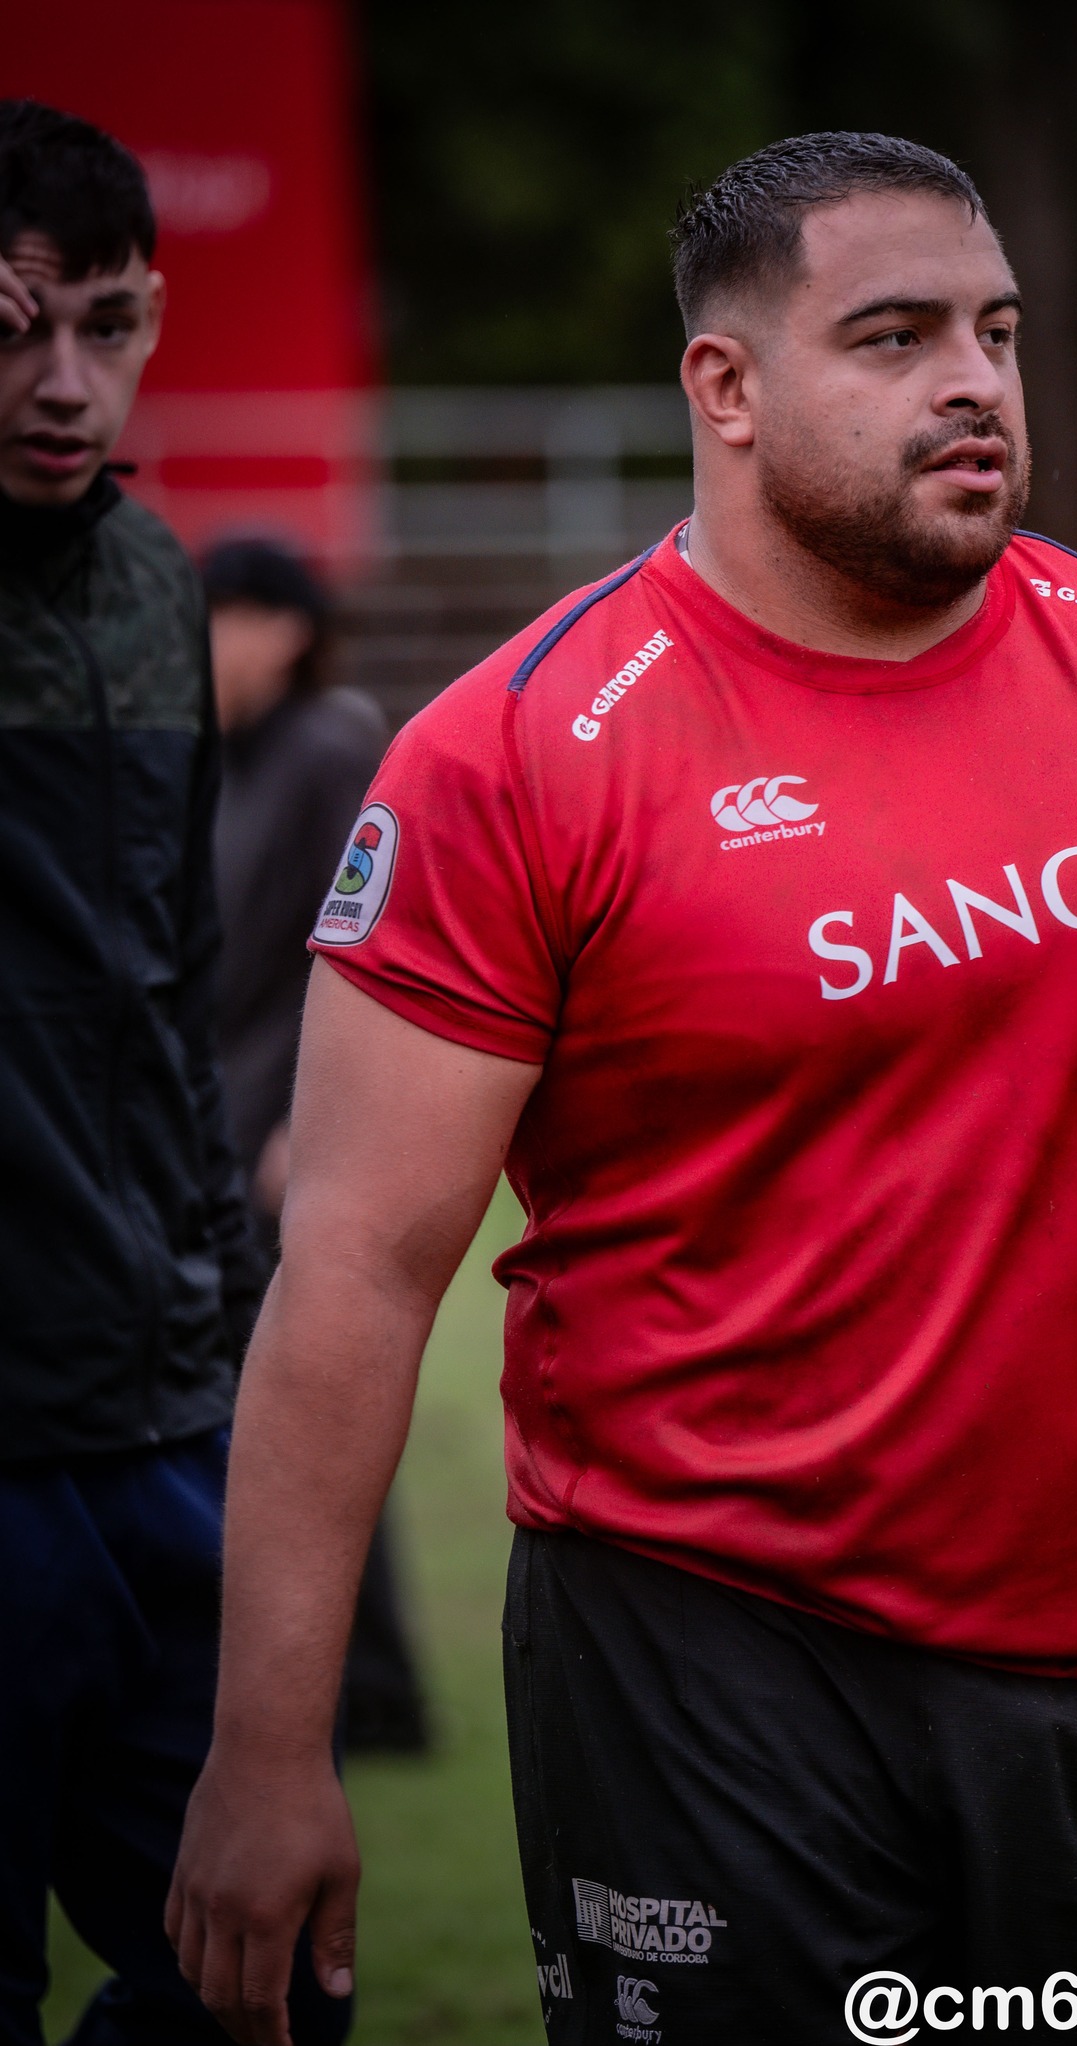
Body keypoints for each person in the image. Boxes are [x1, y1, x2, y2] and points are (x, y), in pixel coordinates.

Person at [169, 133, 1077, 2046]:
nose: (972, 382)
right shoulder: (520, 755)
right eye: (891, 336)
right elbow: (357, 1266)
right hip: (701, 1668)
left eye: (997, 331)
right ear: (724, 387)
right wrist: (269, 1752)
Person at [0, 102, 347, 2046]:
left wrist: (219, 1331)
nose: (67, 382)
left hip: (159, 1427)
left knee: (266, 1986)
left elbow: (169, 993)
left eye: (111, 325)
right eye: (10, 328)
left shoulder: (153, 585)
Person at [203, 537, 429, 1757]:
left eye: (221, 619)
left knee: (308, 1414)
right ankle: (354, 1698)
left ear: (281, 628)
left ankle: (369, 1698)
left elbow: (353, 944)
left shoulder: (332, 749)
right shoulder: (225, 763)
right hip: (215, 1139)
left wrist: (309, 1120)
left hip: (292, 1141)